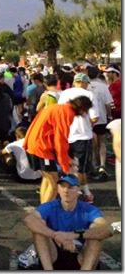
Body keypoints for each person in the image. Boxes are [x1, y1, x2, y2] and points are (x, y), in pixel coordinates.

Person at [23, 174, 113, 270]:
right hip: (54, 255)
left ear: (78, 190)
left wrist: (73, 235)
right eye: (62, 186)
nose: (66, 190)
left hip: (81, 257)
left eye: (70, 187)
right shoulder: (50, 206)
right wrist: (55, 235)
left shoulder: (88, 209)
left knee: (97, 235)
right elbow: (29, 220)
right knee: (38, 231)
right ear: (58, 189)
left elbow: (107, 229)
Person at [23, 96, 93, 204]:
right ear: (82, 109)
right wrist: (65, 165)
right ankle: (43, 214)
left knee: (47, 179)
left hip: (35, 143)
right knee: (55, 183)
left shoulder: (57, 107)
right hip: (42, 147)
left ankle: (43, 208)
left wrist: (67, 159)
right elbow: (60, 140)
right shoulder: (67, 113)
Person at [58, 73, 98, 203]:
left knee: (66, 164)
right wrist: (87, 125)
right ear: (85, 83)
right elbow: (94, 117)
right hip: (82, 135)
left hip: (65, 134)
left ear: (75, 82)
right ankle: (86, 193)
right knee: (82, 167)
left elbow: (59, 112)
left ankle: (67, 190)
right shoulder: (89, 95)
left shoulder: (64, 93)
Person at [86, 66, 114, 180]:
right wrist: (109, 115)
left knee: (92, 142)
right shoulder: (103, 86)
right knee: (102, 141)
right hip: (101, 117)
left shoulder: (85, 86)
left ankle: (93, 164)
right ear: (98, 75)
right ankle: (102, 164)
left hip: (89, 119)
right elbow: (108, 104)